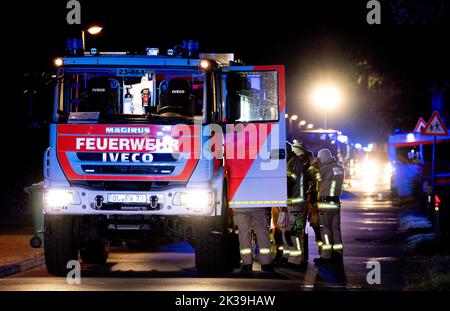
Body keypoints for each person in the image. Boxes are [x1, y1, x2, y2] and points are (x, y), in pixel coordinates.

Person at [276, 141, 308, 269]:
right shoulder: (291, 161)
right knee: (286, 232)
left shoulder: (293, 162)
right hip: (291, 203)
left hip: (294, 203)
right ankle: (287, 257)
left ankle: (295, 260)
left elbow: (289, 182)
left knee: (293, 233)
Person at [313, 148, 345, 265]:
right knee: (336, 229)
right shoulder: (340, 168)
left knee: (325, 230)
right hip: (336, 204)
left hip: (325, 205)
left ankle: (326, 256)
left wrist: (315, 165)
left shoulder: (324, 169)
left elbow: (314, 177)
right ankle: (338, 253)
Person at [235, 207, 273, 271]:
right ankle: (266, 263)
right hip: (259, 204)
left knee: (244, 235)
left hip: (240, 205)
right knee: (262, 233)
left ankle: (247, 264)